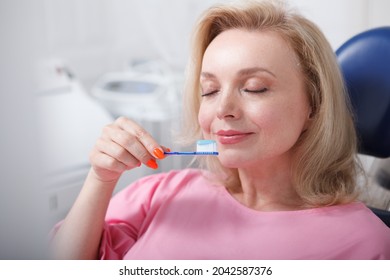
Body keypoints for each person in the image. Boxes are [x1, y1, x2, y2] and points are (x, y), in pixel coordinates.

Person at [51, 0, 390, 259]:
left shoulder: (366, 243)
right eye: (209, 91)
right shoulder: (162, 192)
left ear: (314, 105)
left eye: (255, 87)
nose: (223, 110)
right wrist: (100, 178)